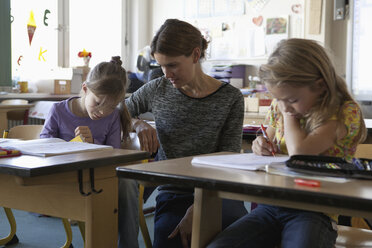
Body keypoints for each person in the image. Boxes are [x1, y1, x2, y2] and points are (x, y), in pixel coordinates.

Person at [207, 38, 367, 248]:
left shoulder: (345, 112)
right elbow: (268, 139)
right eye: (279, 100)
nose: (284, 106)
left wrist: (288, 114)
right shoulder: (282, 104)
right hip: (272, 205)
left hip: (315, 211)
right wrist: (260, 144)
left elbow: (299, 152)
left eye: (291, 100)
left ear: (319, 86)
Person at [122, 18, 248, 248]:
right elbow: (118, 113)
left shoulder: (230, 98)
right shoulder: (156, 88)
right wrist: (137, 123)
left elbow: (229, 158)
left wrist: (200, 208)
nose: (166, 73)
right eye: (160, 65)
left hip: (219, 191)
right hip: (174, 191)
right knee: (170, 240)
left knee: (230, 240)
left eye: (172, 65)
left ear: (195, 55)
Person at [39, 56, 138, 248]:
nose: (102, 111)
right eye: (99, 102)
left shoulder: (112, 117)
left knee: (126, 183)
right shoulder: (58, 110)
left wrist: (92, 146)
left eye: (110, 106)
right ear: (85, 89)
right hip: (64, 174)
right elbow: (44, 145)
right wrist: (72, 145)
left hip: (99, 175)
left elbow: (114, 156)